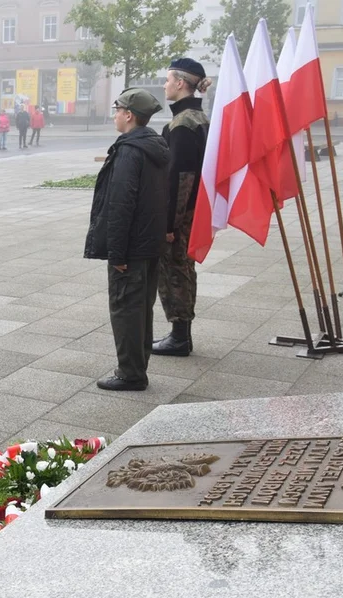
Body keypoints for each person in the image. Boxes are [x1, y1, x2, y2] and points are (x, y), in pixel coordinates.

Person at [85, 89, 169, 392]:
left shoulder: (130, 151)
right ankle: (137, 364)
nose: (114, 114)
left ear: (129, 115)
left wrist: (116, 253)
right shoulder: (155, 145)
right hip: (150, 244)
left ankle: (131, 373)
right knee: (141, 307)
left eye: (117, 109)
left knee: (125, 308)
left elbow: (120, 205)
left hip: (131, 247)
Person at [152, 58, 212, 358]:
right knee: (184, 269)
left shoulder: (183, 124)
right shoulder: (197, 118)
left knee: (175, 270)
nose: (164, 85)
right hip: (191, 211)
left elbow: (180, 178)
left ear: (179, 82)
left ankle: (179, 336)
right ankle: (180, 335)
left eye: (167, 80)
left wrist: (168, 226)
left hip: (181, 215)